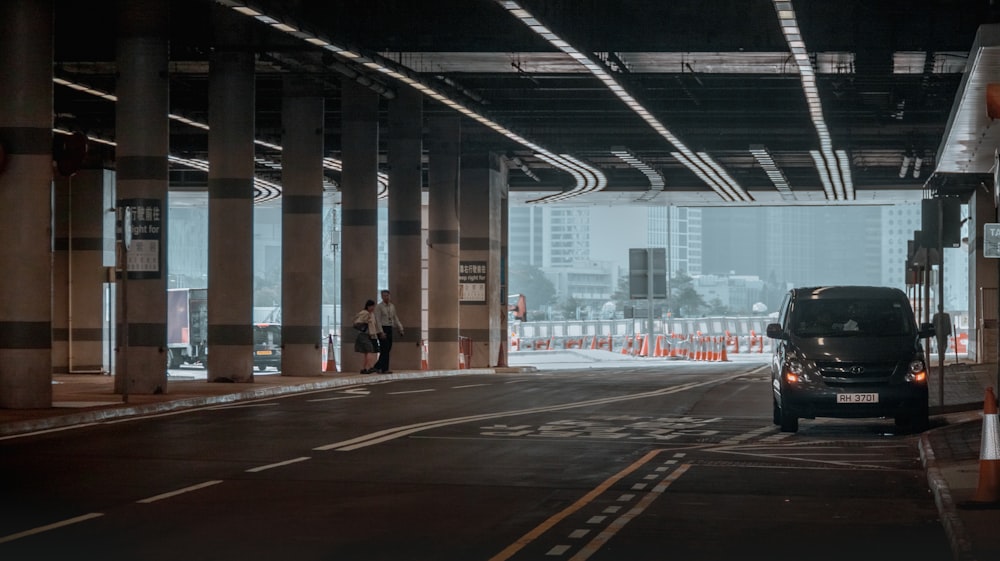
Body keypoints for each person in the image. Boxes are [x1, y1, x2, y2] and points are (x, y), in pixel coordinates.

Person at [373, 289, 405, 374]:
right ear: (381, 297)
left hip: (389, 328)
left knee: (387, 349)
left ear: (389, 296)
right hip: (382, 329)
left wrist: (400, 328)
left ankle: (377, 367)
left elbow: (395, 318)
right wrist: (381, 331)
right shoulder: (379, 307)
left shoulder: (392, 306)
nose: (385, 297)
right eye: (383, 296)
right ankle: (384, 369)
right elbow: (378, 320)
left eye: (387, 295)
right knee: (385, 349)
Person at [352, 299, 380, 374]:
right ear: (368, 306)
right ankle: (370, 367)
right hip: (364, 334)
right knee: (369, 350)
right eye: (372, 306)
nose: (373, 308)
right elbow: (357, 322)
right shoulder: (365, 313)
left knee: (367, 352)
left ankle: (365, 368)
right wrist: (365, 323)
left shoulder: (372, 314)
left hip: (369, 335)